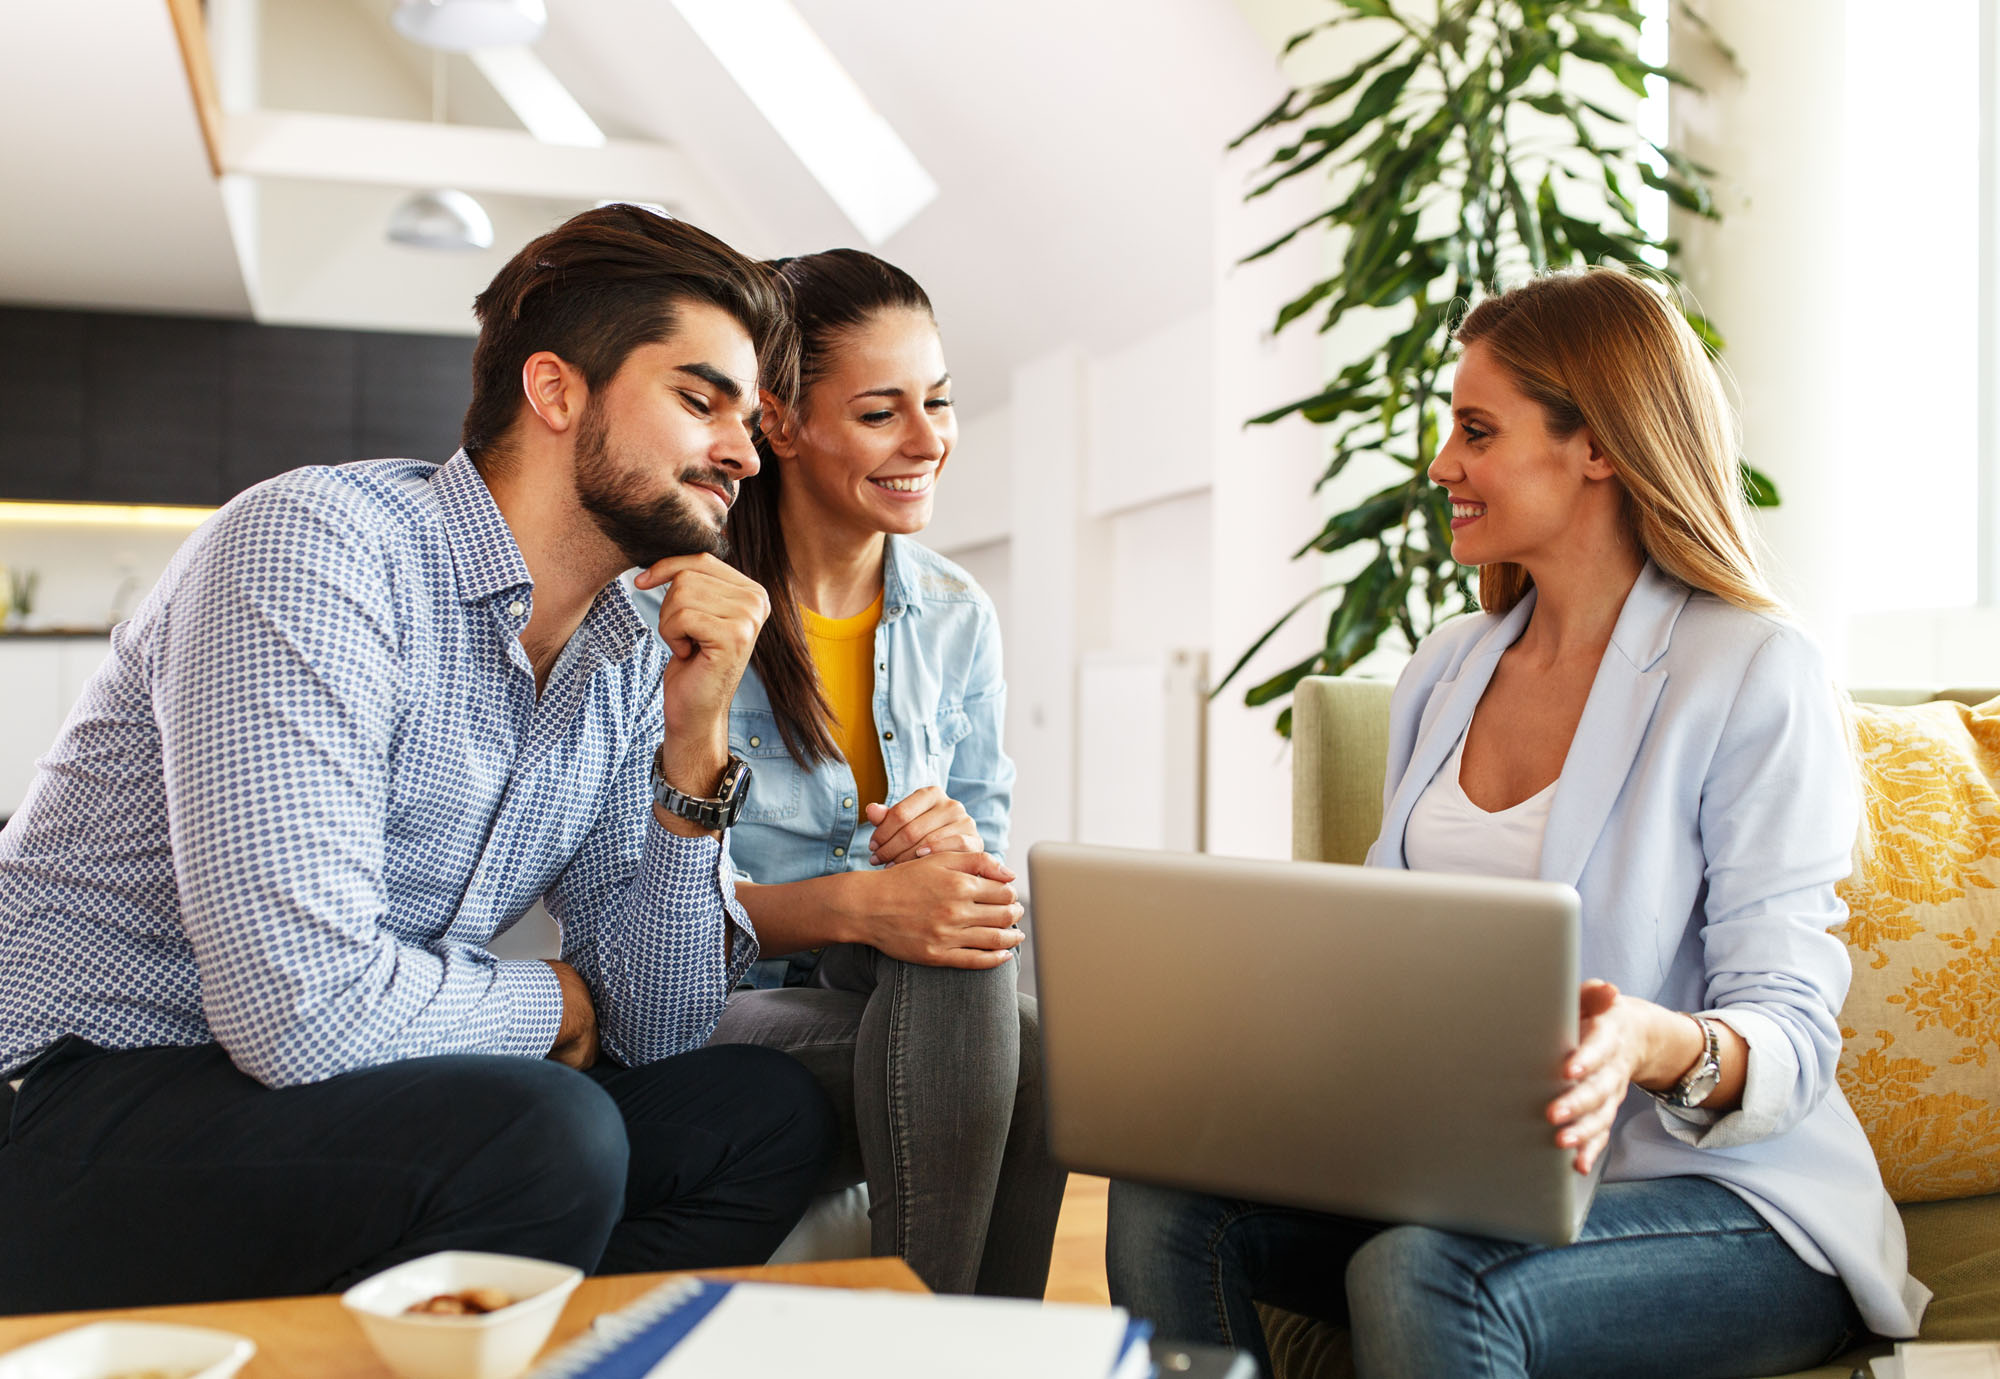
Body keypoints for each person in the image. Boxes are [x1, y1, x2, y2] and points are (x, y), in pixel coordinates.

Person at [0, 205, 838, 1315]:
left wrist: (695, 747)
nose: (741, 452)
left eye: (747, 419)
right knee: (547, 1134)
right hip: (61, 1089)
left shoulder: (633, 650)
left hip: (313, 1088)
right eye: (699, 400)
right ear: (555, 392)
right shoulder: (317, 547)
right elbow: (297, 1010)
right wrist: (549, 1002)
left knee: (756, 1112)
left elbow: (657, 1025)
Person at [1106, 267, 1928, 1377]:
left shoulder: (1747, 669)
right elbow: (1380, 956)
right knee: (1167, 1192)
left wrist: (1646, 1041)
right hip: (1468, 1180)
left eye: (1474, 429)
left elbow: (1790, 1030)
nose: (1441, 463)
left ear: (1594, 444)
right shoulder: (1445, 667)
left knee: (1418, 1268)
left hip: (1725, 1205)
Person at [635, 249, 1064, 1296]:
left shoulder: (956, 613)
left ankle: (947, 1345)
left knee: (978, 973)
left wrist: (949, 858)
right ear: (777, 423)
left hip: (882, 997)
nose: (927, 440)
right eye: (882, 412)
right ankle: (955, 1341)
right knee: (1022, 1048)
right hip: (701, 1005)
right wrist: (865, 903)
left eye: (939, 401)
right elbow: (641, 912)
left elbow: (980, 870)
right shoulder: (679, 609)